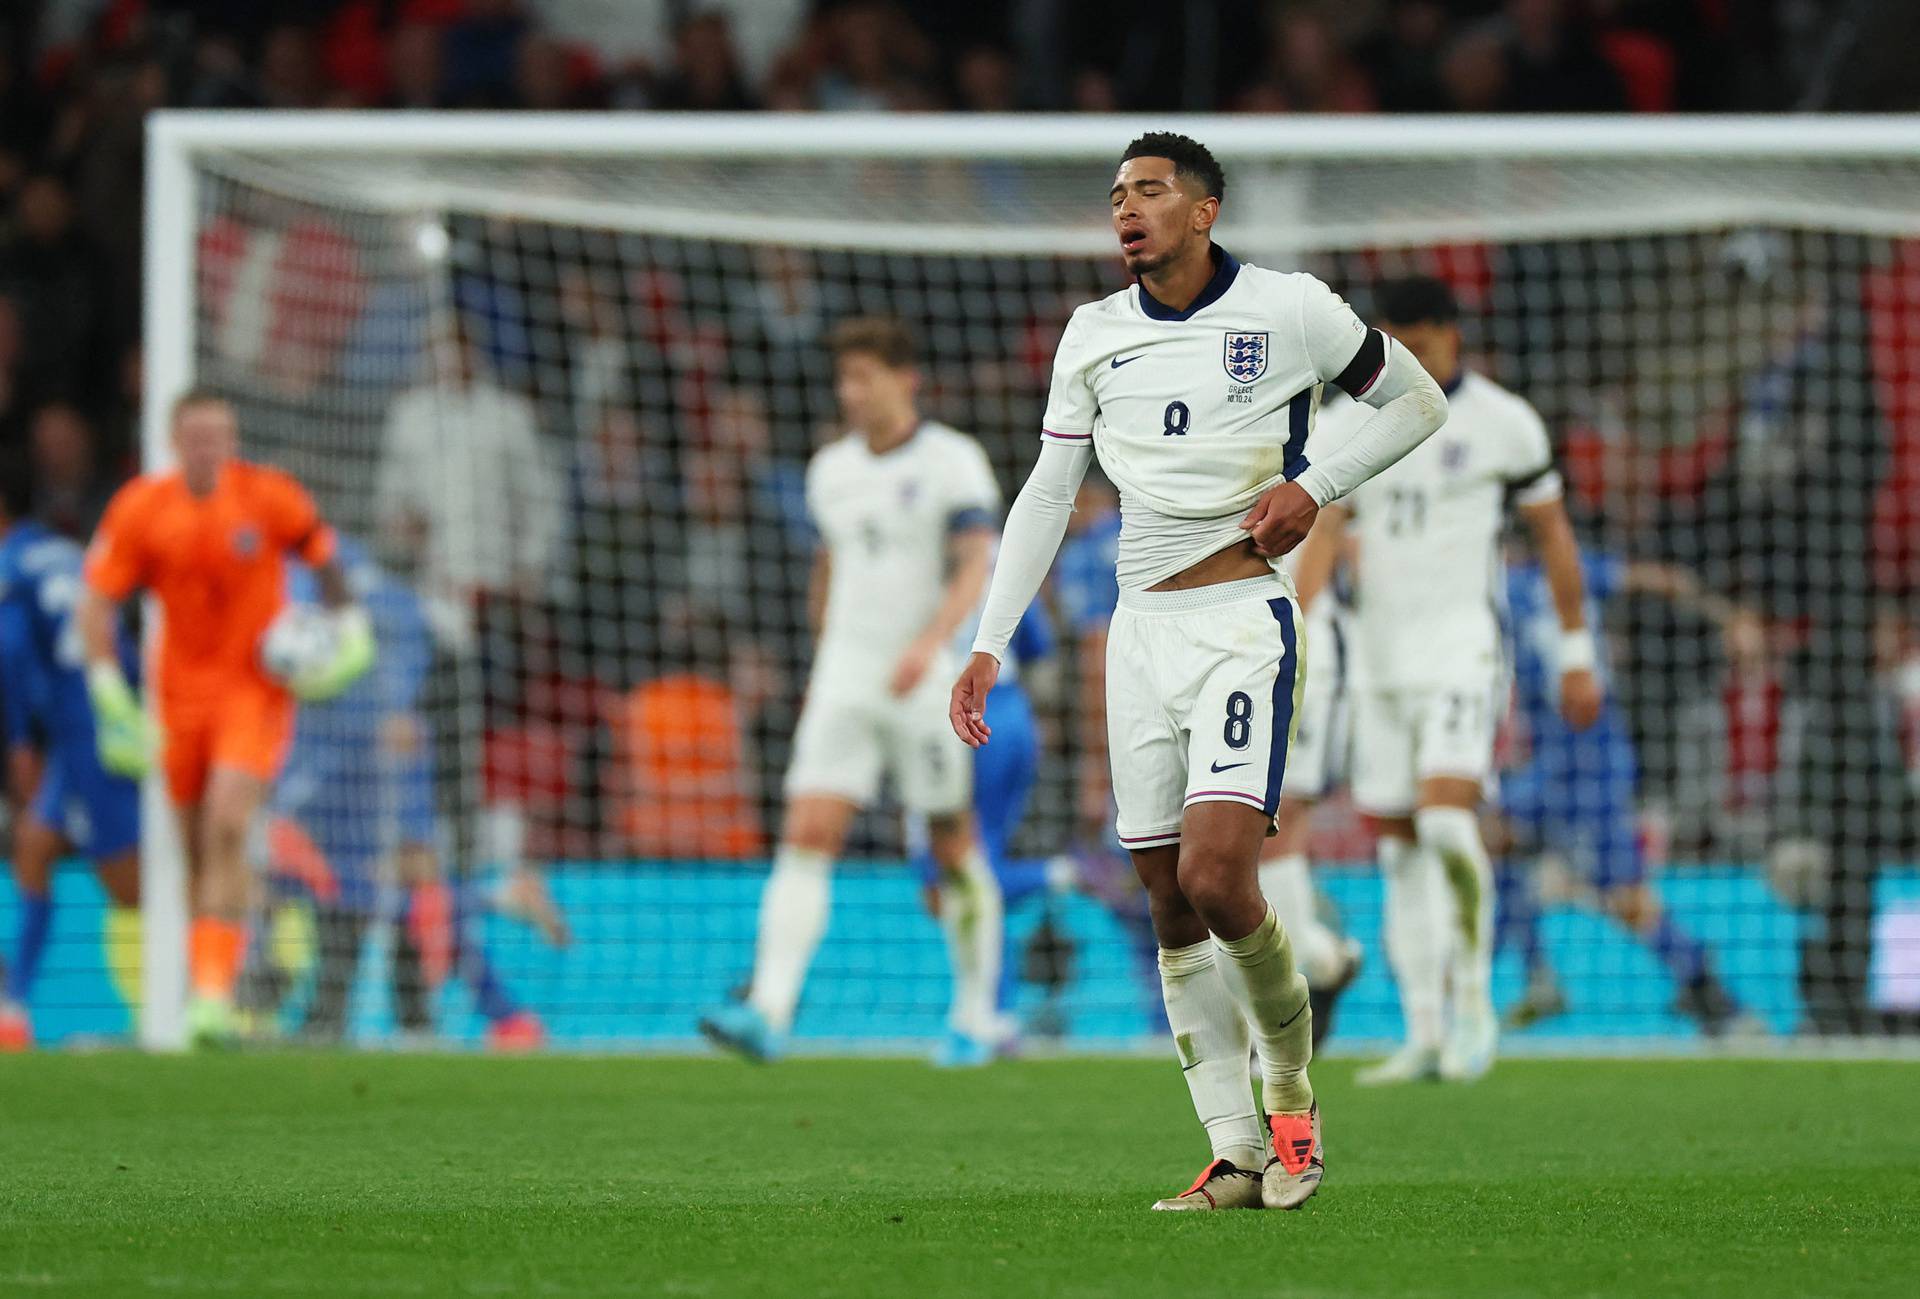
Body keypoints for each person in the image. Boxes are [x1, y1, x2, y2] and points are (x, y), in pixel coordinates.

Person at [950, 134, 1447, 1212]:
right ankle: (1232, 1151)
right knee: (1168, 904)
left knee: (1222, 879)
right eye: (1117, 194)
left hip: (1239, 623)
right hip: (1139, 637)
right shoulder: (1092, 335)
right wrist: (988, 640)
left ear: (1205, 210)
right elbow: (1046, 492)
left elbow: (1417, 402)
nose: (1127, 208)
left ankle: (1292, 1100)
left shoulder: (1292, 309)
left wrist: (1316, 485)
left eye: (1150, 190)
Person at [1291, 275, 1595, 1086]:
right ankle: (1423, 1028)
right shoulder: (1345, 422)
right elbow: (1324, 526)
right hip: (1379, 661)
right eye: (1397, 335)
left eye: (1423, 335)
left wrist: (1576, 650)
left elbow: (1554, 536)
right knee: (1397, 852)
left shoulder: (1505, 422)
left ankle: (1475, 1011)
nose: (1412, 350)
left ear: (1454, 334)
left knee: (1448, 824)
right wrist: (1299, 625)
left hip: (1463, 649)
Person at [701, 316, 1006, 1067]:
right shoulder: (828, 468)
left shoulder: (952, 461)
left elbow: (976, 564)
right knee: (805, 830)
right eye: (844, 378)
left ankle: (973, 1014)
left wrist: (932, 643)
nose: (850, 391)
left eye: (864, 376)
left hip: (925, 678)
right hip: (845, 676)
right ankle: (768, 1011)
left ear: (906, 380)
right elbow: (831, 567)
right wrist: (822, 654)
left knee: (949, 841)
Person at [76, 392, 373, 1046]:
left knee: (229, 821)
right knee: (193, 848)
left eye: (221, 434)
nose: (210, 445)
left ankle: (210, 998)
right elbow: (95, 605)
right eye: (197, 435)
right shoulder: (142, 509)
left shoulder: (270, 498)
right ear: (174, 440)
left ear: (234, 438)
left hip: (254, 689)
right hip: (177, 697)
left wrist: (352, 631)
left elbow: (324, 560)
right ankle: (218, 969)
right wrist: (107, 689)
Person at [259, 536, 545, 1049]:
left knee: (400, 892)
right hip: (342, 774)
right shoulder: (317, 598)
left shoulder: (377, 617)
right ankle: (500, 979)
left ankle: (497, 1015)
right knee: (334, 896)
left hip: (375, 774)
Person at [1496, 550, 1756, 1036]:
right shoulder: (1567, 572)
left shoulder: (1520, 584)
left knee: (1625, 897)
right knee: (1492, 839)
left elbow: (1654, 578)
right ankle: (1537, 978)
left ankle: (1706, 987)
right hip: (1560, 761)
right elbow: (1659, 576)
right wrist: (1726, 613)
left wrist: (1724, 614)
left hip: (1590, 761)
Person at [0, 459, 140, 1048]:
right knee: (34, 844)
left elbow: (9, 654)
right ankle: (14, 1008)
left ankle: (206, 985)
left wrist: (18, 743)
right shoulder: (53, 549)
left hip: (89, 732)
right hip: (104, 708)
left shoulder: (9, 569)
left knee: (131, 890)